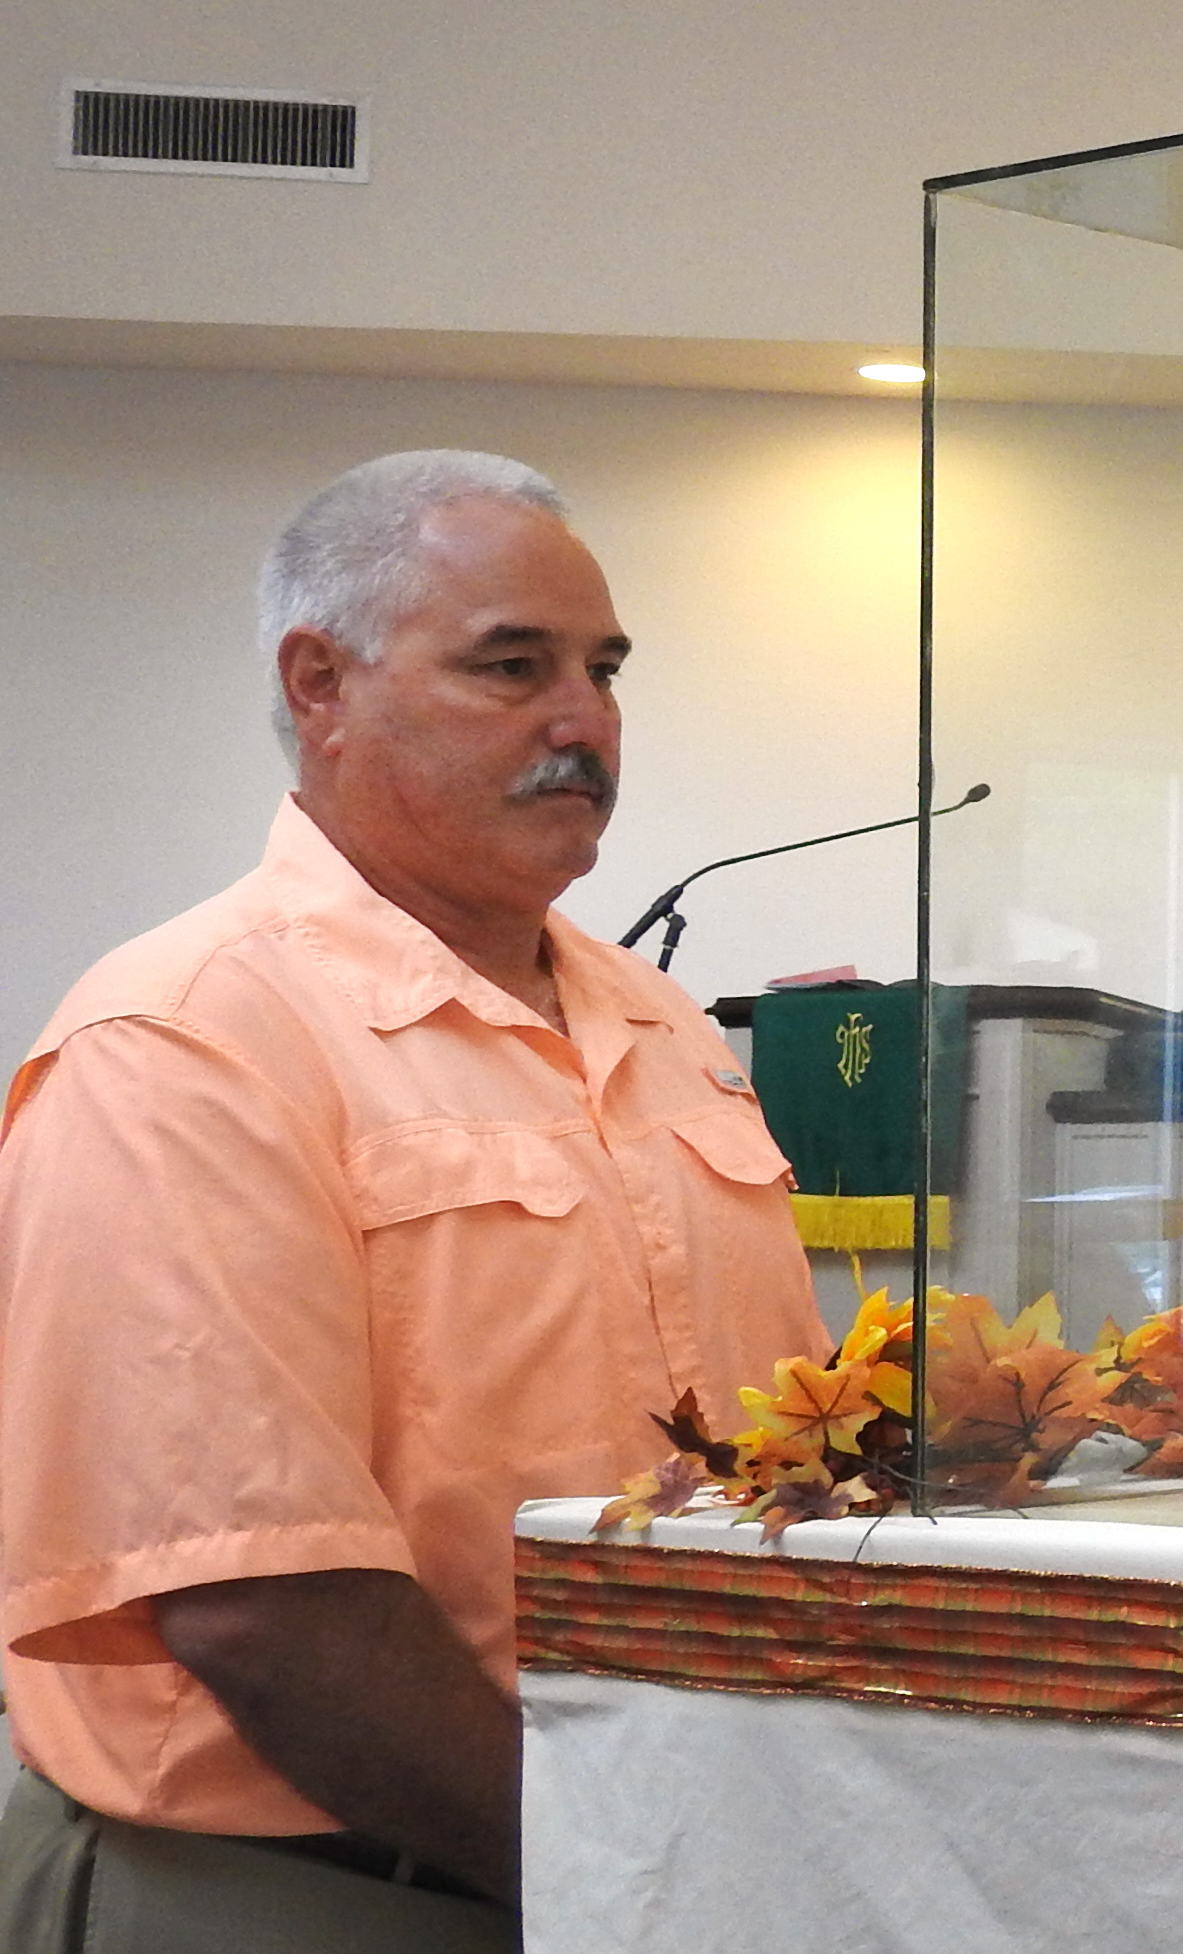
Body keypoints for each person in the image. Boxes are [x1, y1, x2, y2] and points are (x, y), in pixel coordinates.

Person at [0, 452, 829, 1948]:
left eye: (603, 671)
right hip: (316, 1893)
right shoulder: (188, 1039)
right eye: (511, 667)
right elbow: (263, 1602)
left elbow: (767, 1471)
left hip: (652, 1864)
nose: (584, 723)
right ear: (320, 685)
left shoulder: (662, 1029)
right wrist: (622, 1880)